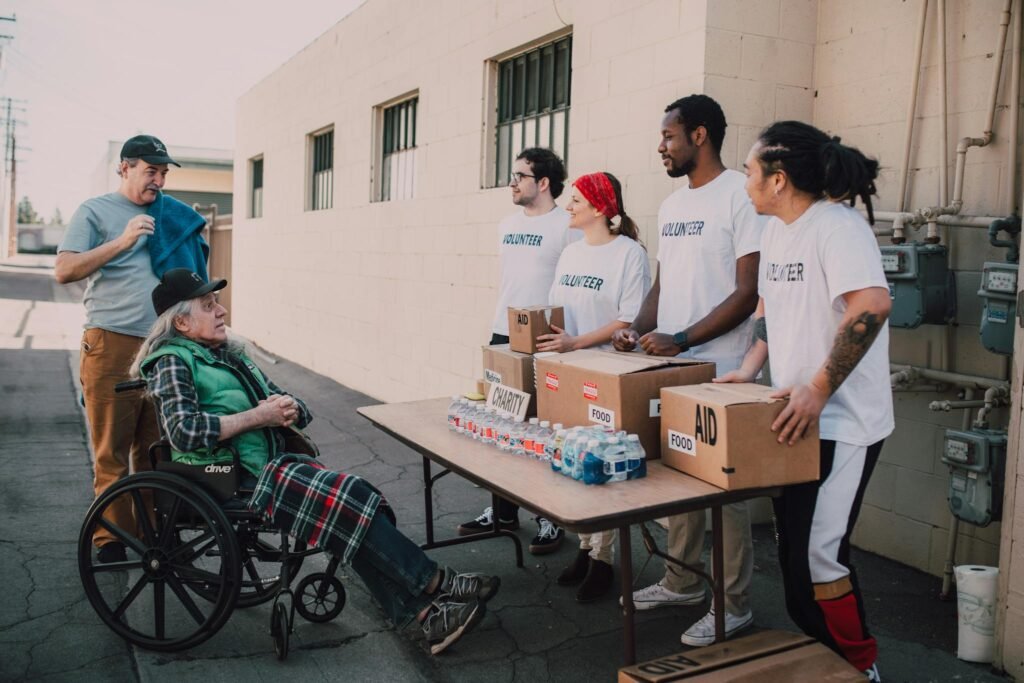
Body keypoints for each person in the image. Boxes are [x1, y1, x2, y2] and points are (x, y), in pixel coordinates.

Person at [132, 268, 500, 655]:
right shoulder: (171, 362)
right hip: (227, 476)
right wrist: (258, 416)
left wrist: (289, 407)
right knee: (344, 507)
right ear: (182, 322)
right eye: (208, 306)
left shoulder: (228, 355)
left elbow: (292, 404)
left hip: (270, 465)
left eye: (217, 302)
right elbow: (183, 432)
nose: (221, 311)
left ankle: (425, 610)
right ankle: (434, 585)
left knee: (356, 497)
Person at [722, 120, 892, 681]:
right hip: (793, 418)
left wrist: (818, 388)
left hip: (844, 422)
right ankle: (827, 662)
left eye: (749, 170)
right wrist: (748, 370)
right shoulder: (776, 232)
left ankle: (861, 668)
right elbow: (770, 309)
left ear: (777, 179)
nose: (743, 179)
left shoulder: (836, 228)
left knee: (820, 557)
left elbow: (870, 305)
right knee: (795, 564)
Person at [611, 94, 763, 647]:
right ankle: (681, 583)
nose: (661, 146)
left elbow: (748, 294)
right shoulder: (673, 206)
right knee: (678, 479)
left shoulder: (740, 200)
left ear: (699, 136)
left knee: (725, 494)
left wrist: (681, 339)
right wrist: (636, 328)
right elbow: (662, 284)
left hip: (724, 371)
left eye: (669, 136)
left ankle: (734, 605)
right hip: (673, 370)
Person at [56, 135, 207, 565]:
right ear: (124, 167)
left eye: (163, 173)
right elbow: (65, 270)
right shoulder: (95, 211)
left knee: (157, 449)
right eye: (150, 171)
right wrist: (121, 243)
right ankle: (111, 539)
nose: (158, 181)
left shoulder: (170, 214)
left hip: (163, 347)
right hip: (111, 342)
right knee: (112, 448)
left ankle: (155, 536)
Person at [458, 147, 579, 555]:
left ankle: (549, 516)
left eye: (520, 176)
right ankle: (503, 510)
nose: (511, 183)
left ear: (543, 183)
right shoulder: (506, 224)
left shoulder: (567, 225)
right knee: (502, 425)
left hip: (545, 341)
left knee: (542, 428)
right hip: (502, 336)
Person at [543, 171, 651, 601]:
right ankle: (586, 548)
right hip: (571, 370)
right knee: (575, 460)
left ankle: (603, 559)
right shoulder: (570, 253)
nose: (568, 207)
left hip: (608, 372)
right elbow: (557, 309)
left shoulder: (630, 255)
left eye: (576, 201)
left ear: (602, 209)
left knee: (604, 465)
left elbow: (629, 318)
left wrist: (576, 343)